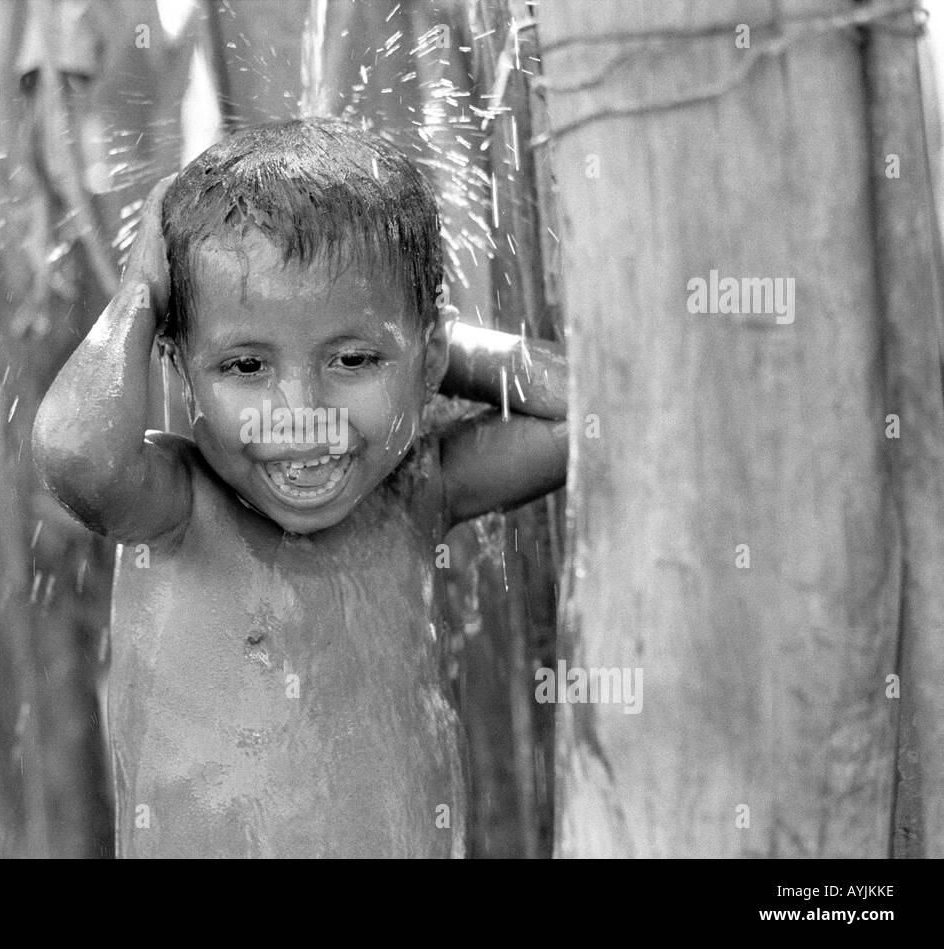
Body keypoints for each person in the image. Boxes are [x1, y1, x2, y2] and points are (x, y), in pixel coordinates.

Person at [33, 118, 568, 857]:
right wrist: (139, 293)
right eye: (246, 368)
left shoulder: (416, 493)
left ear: (427, 355)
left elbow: (589, 413)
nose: (301, 415)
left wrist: (434, 355)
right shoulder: (176, 507)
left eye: (352, 359)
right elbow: (74, 451)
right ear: (180, 367)